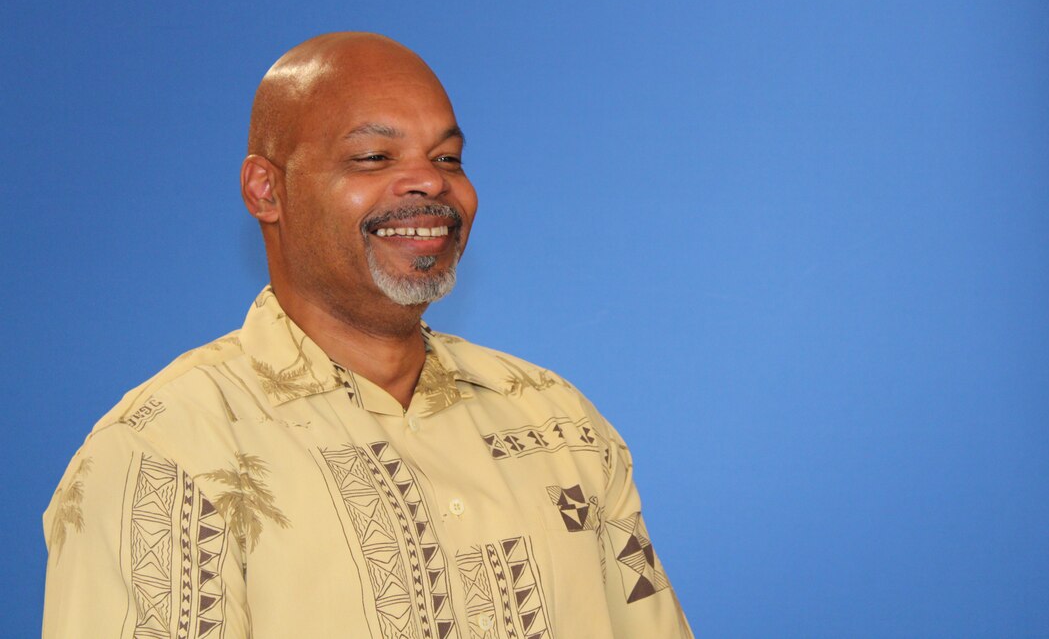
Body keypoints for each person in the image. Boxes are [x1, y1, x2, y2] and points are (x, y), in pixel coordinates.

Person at [42, 32, 693, 638]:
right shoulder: (165, 455)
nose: (430, 180)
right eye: (373, 156)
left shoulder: (561, 423)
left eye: (448, 157)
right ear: (265, 189)